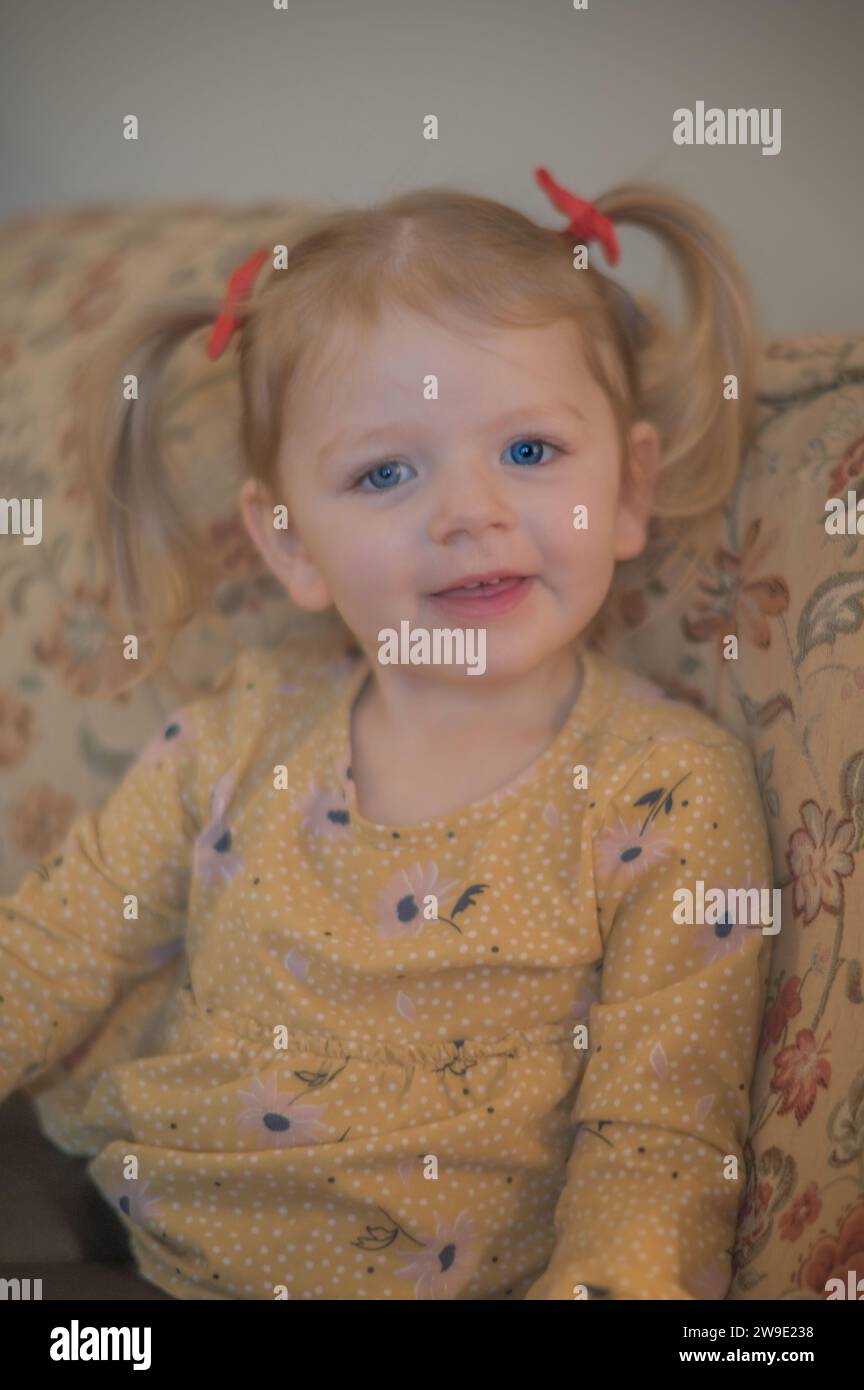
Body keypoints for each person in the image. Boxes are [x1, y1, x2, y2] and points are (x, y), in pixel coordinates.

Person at [0, 169, 774, 1300]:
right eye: (386, 471)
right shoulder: (240, 734)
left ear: (629, 489)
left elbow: (657, 1150)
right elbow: (46, 951)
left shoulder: (666, 790)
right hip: (139, 1259)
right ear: (290, 544)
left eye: (527, 452)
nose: (468, 512)